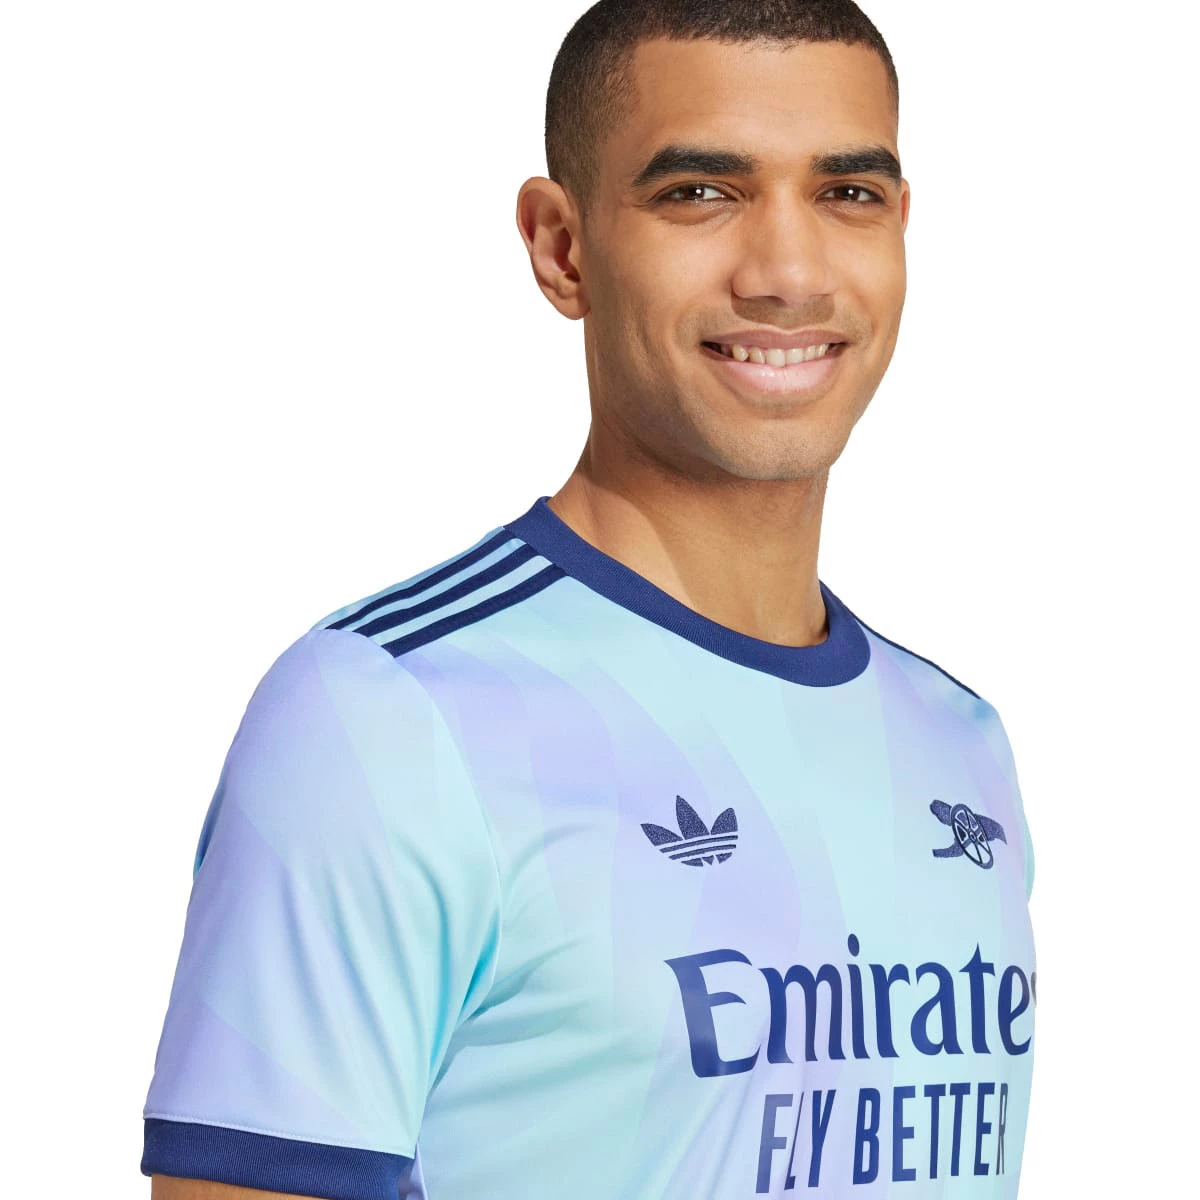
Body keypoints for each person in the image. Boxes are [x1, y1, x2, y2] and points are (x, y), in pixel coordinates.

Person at [140, 1, 1037, 1196]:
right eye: (700, 193)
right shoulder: (384, 720)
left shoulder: (959, 743)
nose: (788, 271)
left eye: (847, 193)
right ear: (563, 249)